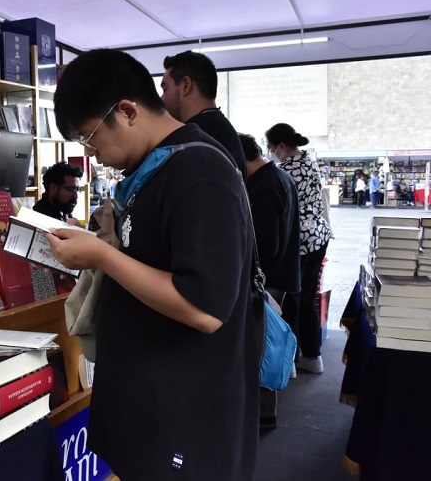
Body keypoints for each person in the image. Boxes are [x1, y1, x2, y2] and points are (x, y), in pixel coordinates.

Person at [46, 49, 261, 480]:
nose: (92, 156)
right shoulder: (157, 168)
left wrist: (102, 255)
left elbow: (204, 309)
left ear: (126, 111)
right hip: (150, 404)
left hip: (184, 417)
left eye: (91, 139)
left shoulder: (199, 171)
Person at [239, 133, 301, 430]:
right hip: (281, 275)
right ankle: (265, 410)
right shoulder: (280, 177)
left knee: (262, 345)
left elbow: (266, 243)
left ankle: (264, 413)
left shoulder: (263, 186)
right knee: (267, 343)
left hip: (267, 279)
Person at [265, 122, 333, 374]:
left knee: (291, 300)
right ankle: (313, 355)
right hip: (319, 237)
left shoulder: (285, 171)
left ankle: (289, 360)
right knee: (308, 300)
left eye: (271, 147)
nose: (270, 152)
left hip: (300, 241)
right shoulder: (310, 162)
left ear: (281, 147)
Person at [161, 51, 247, 178]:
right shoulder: (221, 130)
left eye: (165, 89)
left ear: (186, 85)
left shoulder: (196, 139)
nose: (162, 98)